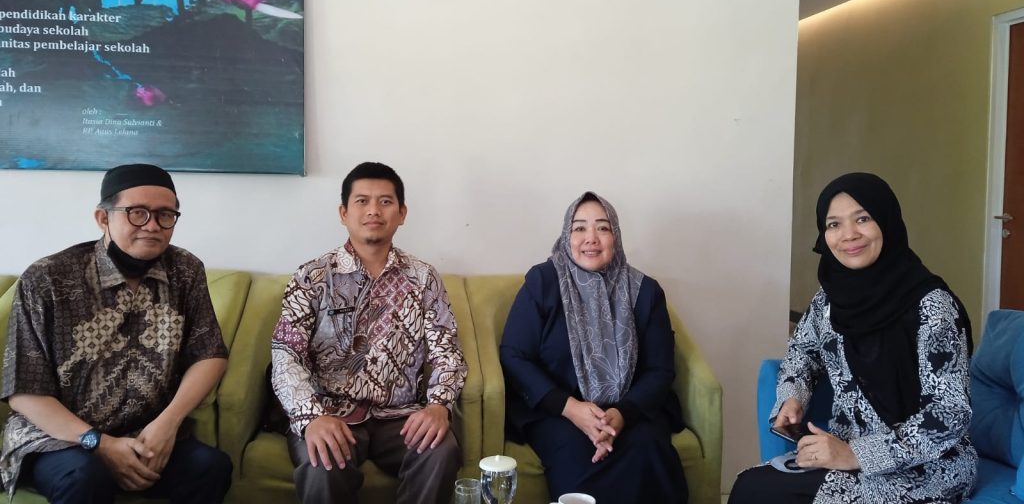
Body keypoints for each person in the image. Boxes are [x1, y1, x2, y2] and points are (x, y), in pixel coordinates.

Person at [729, 172, 976, 504]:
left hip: (929, 466)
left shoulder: (932, 306)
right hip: (844, 451)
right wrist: (793, 397)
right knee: (750, 484)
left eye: (862, 219)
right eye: (834, 224)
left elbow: (949, 413)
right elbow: (802, 352)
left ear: (887, 222)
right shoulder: (829, 300)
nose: (849, 235)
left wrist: (856, 454)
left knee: (770, 494)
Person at [0, 163, 232, 503]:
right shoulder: (47, 278)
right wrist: (99, 443)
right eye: (137, 213)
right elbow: (24, 391)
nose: (152, 225)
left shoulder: (185, 270)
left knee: (211, 467)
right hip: (59, 439)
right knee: (85, 477)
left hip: (146, 433)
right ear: (103, 218)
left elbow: (210, 354)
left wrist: (168, 423)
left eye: (165, 215)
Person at [271, 161, 467, 504]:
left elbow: (446, 351)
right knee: (322, 465)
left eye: (385, 201)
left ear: (402, 213)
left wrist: (439, 406)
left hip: (402, 416)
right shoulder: (312, 277)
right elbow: (286, 355)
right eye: (362, 201)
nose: (374, 210)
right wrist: (311, 418)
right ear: (344, 213)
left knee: (442, 450)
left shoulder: (423, 278)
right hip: (329, 411)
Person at [499, 191, 688, 502]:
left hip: (630, 411)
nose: (591, 238)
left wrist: (620, 415)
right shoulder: (543, 282)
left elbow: (659, 369)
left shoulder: (645, 291)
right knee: (578, 456)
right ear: (567, 235)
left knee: (649, 450)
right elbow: (514, 355)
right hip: (558, 412)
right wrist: (572, 409)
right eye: (579, 228)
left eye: (602, 227)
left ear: (616, 236)